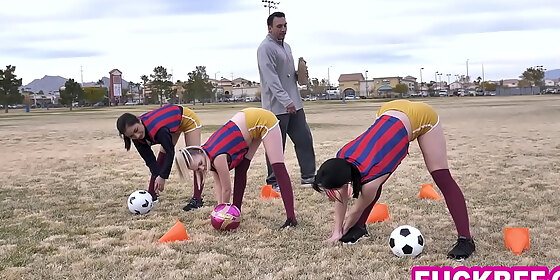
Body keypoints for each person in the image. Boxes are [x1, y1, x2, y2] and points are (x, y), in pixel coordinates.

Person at [312, 99, 476, 261]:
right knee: (375, 180)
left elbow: (355, 210)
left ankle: (466, 239)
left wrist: (344, 230)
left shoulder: (366, 180)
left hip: (421, 117)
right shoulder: (341, 158)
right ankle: (360, 228)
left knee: (442, 177)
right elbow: (341, 198)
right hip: (389, 109)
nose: (330, 194)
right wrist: (336, 232)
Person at [175, 107, 297, 228]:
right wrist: (219, 209)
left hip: (263, 120)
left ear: (200, 151)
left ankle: (291, 219)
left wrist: (224, 212)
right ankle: (236, 212)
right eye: (198, 169)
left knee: (278, 167)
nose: (202, 168)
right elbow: (219, 186)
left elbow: (227, 189)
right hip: (249, 127)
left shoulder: (217, 158)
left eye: (200, 163)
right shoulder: (208, 158)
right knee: (242, 168)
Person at [257, 11, 316, 191]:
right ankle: (273, 182)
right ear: (269, 28)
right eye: (279, 26)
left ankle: (309, 177)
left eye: (285, 25)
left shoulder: (287, 47)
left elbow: (286, 75)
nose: (283, 29)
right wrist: (285, 101)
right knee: (275, 147)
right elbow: (271, 79)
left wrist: (300, 75)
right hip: (277, 107)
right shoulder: (265, 48)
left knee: (304, 140)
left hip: (295, 104)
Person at [116, 104, 205, 211]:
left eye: (136, 130)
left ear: (139, 121)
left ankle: (197, 199)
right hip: (171, 125)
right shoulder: (136, 137)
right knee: (161, 157)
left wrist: (162, 176)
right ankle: (151, 195)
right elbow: (150, 160)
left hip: (187, 119)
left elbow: (170, 153)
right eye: (131, 136)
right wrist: (158, 175)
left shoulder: (159, 129)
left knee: (195, 161)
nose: (137, 136)